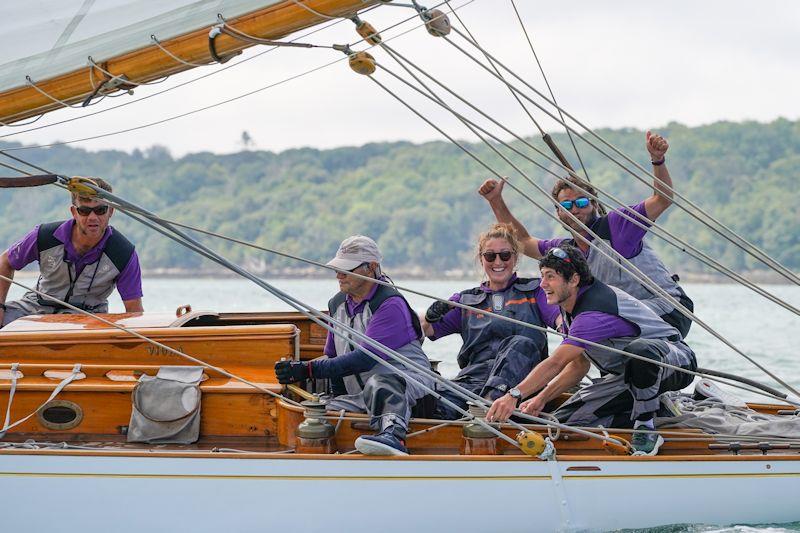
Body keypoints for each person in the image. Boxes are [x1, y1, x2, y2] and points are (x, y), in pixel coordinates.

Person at [479, 131, 693, 338]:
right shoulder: (566, 251)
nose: (575, 209)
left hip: (668, 310)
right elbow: (524, 242)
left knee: (591, 319)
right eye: (566, 204)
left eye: (581, 202)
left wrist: (658, 160)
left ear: (593, 204)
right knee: (580, 319)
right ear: (558, 211)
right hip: (627, 318)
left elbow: (662, 199)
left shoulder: (617, 226)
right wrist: (495, 201)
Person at [486, 245, 697, 456]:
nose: (542, 284)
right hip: (626, 377)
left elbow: (556, 363)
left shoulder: (592, 312)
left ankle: (645, 426)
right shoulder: (570, 303)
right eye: (542, 276)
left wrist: (513, 395)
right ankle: (657, 410)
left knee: (640, 351)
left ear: (574, 280)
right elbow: (578, 365)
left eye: (550, 277)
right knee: (566, 423)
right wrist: (542, 398)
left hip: (673, 362)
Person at [275, 235, 434, 456]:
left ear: (372, 268)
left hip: (408, 391)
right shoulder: (337, 304)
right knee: (314, 413)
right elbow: (332, 357)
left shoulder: (390, 304)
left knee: (381, 381)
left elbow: (364, 359)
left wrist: (307, 370)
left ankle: (393, 436)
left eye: (346, 268)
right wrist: (300, 371)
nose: (339, 274)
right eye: (337, 268)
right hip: (362, 396)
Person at [420, 223, 558, 419]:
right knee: (429, 404)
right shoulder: (465, 301)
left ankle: (486, 409)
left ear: (515, 257)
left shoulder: (536, 291)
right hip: (472, 382)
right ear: (482, 259)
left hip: (520, 389)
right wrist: (431, 313)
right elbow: (421, 329)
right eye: (490, 256)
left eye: (505, 255)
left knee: (521, 343)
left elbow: (563, 322)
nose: (498, 262)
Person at [0, 177, 143, 326]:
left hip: (89, 318)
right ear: (74, 212)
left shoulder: (123, 253)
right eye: (85, 211)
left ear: (111, 211)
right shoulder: (44, 236)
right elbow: (5, 262)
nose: (93, 217)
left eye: (100, 210)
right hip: (35, 308)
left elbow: (134, 311)